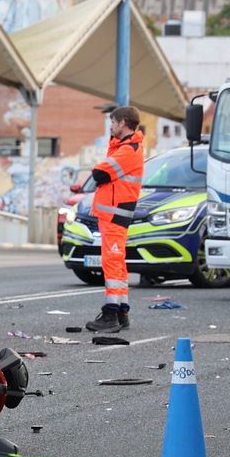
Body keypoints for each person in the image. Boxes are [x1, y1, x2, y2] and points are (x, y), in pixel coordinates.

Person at [85, 107, 145, 333]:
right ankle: (121, 312)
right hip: (116, 213)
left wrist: (98, 169)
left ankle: (111, 314)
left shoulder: (129, 150)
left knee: (111, 262)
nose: (111, 126)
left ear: (123, 123)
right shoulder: (125, 147)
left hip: (114, 213)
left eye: (113, 122)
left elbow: (99, 174)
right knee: (117, 263)